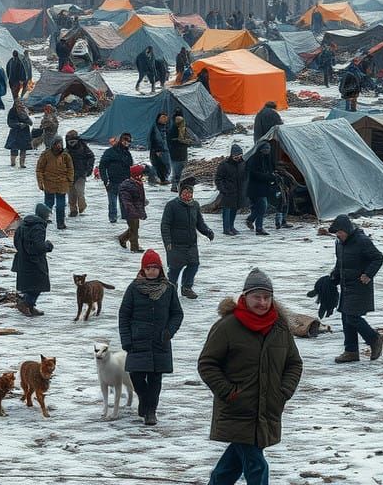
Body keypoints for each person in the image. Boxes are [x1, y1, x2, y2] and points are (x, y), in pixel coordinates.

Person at [198, 267, 302, 485]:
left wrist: (283, 392)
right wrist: (229, 392)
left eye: (266, 297)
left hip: (268, 407)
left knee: (232, 464)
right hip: (238, 408)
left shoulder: (279, 327)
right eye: (257, 297)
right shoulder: (227, 326)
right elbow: (207, 364)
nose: (262, 302)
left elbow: (294, 363)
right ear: (245, 297)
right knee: (256, 465)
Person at [118, 249, 184, 427]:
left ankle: (150, 412)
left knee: (155, 378)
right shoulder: (133, 288)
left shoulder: (169, 288)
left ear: (160, 269)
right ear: (143, 269)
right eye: (148, 268)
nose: (152, 271)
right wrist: (126, 339)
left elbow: (177, 314)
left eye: (155, 267)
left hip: (160, 341)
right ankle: (144, 400)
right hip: (137, 340)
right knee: (136, 375)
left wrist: (169, 331)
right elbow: (124, 315)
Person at [328, 214, 383, 363]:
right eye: (336, 233)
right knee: (345, 317)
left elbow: (378, 258)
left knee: (352, 316)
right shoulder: (339, 243)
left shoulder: (362, 241)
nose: (337, 235)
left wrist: (368, 274)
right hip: (346, 285)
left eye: (339, 232)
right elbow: (340, 262)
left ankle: (374, 338)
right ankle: (351, 351)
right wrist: (334, 276)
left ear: (346, 230)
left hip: (360, 285)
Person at [160, 178, 214, 299]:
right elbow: (165, 225)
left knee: (194, 265)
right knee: (175, 268)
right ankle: (171, 289)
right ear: (180, 193)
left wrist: (207, 232)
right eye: (185, 193)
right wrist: (167, 242)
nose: (187, 195)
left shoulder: (195, 205)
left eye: (190, 193)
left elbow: (199, 223)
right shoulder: (172, 205)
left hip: (191, 244)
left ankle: (187, 287)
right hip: (175, 244)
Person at [12, 202, 53, 316]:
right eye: (48, 214)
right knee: (38, 285)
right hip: (34, 261)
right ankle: (25, 303)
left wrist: (22, 251)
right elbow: (38, 246)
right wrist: (48, 246)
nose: (49, 217)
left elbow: (16, 241)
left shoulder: (23, 224)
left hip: (22, 259)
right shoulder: (38, 226)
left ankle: (29, 305)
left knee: (29, 285)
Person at [36, 136, 74, 230]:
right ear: (53, 144)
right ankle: (42, 221)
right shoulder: (46, 155)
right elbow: (39, 169)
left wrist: (69, 180)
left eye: (61, 143)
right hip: (49, 183)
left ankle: (60, 223)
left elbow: (70, 168)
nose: (59, 146)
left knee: (61, 205)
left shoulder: (65, 155)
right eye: (57, 143)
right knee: (48, 204)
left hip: (62, 183)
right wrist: (40, 182)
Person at [99, 134, 134, 225]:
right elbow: (102, 166)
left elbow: (130, 164)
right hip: (112, 181)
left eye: (129, 141)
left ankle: (124, 219)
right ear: (121, 140)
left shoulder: (127, 153)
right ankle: (112, 221)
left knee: (124, 202)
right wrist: (105, 180)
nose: (127, 142)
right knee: (112, 203)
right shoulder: (110, 152)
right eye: (125, 140)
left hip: (124, 181)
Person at [246, 142, 276, 236]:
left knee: (259, 207)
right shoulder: (254, 159)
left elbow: (271, 170)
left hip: (264, 187)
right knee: (263, 206)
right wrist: (267, 176)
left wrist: (272, 176)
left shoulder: (268, 159)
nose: (267, 151)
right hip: (255, 188)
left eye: (268, 149)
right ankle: (259, 228)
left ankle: (250, 219)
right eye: (265, 149)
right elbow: (253, 173)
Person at [216, 144, 246, 237]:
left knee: (234, 209)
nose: (238, 158)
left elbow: (244, 176)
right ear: (232, 155)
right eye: (236, 156)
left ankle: (231, 226)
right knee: (227, 211)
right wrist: (223, 189)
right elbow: (218, 178)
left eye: (240, 156)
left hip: (238, 191)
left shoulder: (242, 163)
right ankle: (226, 229)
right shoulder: (224, 165)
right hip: (228, 191)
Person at [65, 129, 95, 217]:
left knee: (80, 192)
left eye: (73, 141)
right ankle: (73, 210)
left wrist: (89, 168)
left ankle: (82, 205)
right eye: (70, 142)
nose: (72, 144)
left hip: (81, 173)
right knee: (71, 194)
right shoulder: (66, 150)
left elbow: (91, 156)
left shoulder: (84, 148)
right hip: (69, 174)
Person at [118, 164, 148, 252]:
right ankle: (134, 248)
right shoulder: (127, 186)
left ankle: (122, 238)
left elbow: (140, 197)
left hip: (136, 209)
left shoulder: (138, 183)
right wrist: (131, 210)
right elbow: (126, 201)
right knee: (134, 230)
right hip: (130, 211)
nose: (144, 176)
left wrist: (144, 202)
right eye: (142, 174)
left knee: (134, 227)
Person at [167, 109, 190, 191]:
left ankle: (180, 186)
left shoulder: (183, 129)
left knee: (181, 172)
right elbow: (171, 142)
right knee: (176, 172)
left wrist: (187, 142)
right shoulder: (173, 130)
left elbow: (187, 139)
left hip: (182, 153)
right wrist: (182, 142)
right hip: (176, 155)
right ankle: (174, 186)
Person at [6, 98, 33, 168]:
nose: (20, 104)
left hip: (24, 132)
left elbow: (30, 121)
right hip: (15, 132)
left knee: (23, 149)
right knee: (14, 148)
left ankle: (22, 163)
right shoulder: (12, 111)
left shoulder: (25, 110)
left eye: (21, 103)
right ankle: (13, 162)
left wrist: (27, 122)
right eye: (18, 103)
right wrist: (18, 124)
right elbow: (10, 122)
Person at [148, 112, 172, 186]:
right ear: (158, 118)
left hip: (165, 150)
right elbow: (154, 139)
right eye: (163, 117)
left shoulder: (165, 127)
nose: (164, 119)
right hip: (158, 150)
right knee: (159, 165)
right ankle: (161, 179)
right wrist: (157, 150)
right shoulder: (155, 127)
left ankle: (164, 179)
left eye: (165, 117)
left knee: (166, 165)